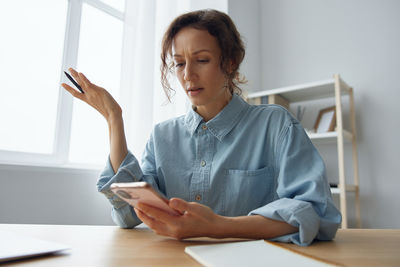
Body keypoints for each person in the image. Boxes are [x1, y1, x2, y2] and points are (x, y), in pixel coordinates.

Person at [61, 9, 341, 246]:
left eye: (202, 60)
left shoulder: (275, 125)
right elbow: (127, 215)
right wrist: (114, 118)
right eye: (179, 63)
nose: (187, 75)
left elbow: (315, 212)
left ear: (231, 62)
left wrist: (218, 226)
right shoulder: (162, 136)